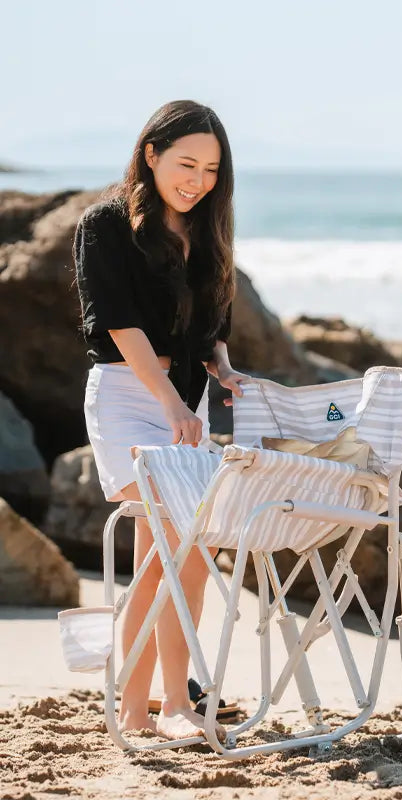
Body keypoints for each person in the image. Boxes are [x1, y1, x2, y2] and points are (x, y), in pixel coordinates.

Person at [74, 100, 247, 738]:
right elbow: (118, 326)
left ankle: (141, 707)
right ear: (151, 154)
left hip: (187, 404)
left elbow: (213, 328)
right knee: (174, 550)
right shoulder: (105, 224)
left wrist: (222, 370)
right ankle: (170, 705)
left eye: (209, 169)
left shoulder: (206, 232)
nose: (197, 180)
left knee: (181, 556)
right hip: (128, 399)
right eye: (185, 163)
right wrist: (171, 403)